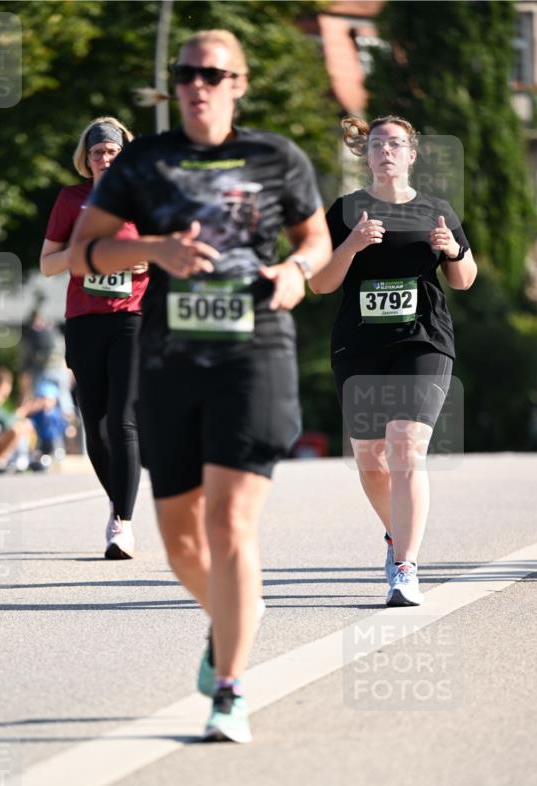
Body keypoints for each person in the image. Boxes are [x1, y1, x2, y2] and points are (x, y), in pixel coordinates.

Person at [68, 30, 331, 742]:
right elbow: (83, 251)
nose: (198, 83)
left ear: (238, 82)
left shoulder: (277, 157)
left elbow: (315, 239)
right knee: (181, 538)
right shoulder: (144, 163)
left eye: (214, 73)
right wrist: (152, 248)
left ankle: (229, 689)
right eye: (187, 72)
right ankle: (231, 614)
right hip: (168, 355)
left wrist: (295, 271)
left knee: (228, 523)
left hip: (255, 349)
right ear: (176, 85)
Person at [310, 115, 477, 606]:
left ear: (412, 154)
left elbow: (464, 278)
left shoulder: (435, 210)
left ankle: (404, 566)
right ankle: (395, 534)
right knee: (371, 457)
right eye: (378, 143)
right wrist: (351, 245)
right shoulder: (344, 211)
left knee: (405, 445)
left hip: (422, 339)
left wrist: (451, 251)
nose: (386, 150)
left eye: (396, 144)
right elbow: (320, 283)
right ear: (367, 155)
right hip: (359, 345)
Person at [40, 117, 149, 559]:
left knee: (121, 419)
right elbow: (48, 264)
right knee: (96, 425)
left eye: (112, 152)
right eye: (97, 152)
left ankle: (122, 523)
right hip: (84, 319)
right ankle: (116, 498)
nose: (105, 159)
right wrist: (82, 255)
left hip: (132, 318)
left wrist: (147, 261)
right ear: (86, 160)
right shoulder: (72, 200)